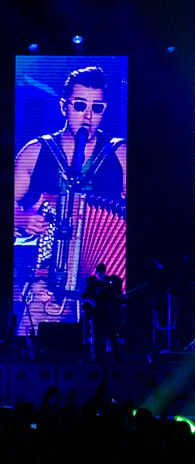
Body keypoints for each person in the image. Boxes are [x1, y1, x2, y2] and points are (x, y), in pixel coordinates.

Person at [14, 66, 126, 314]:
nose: (88, 115)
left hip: (106, 274)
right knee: (37, 341)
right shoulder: (35, 151)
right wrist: (20, 217)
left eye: (97, 108)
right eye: (79, 106)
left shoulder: (120, 153)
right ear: (64, 106)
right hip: (45, 274)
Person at [81, 263, 122, 361]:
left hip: (106, 312)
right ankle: (95, 357)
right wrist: (91, 299)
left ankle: (116, 356)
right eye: (99, 273)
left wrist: (121, 298)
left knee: (112, 334)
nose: (101, 275)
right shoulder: (91, 285)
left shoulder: (108, 285)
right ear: (96, 274)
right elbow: (83, 296)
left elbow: (113, 298)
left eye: (103, 273)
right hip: (95, 314)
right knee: (95, 336)